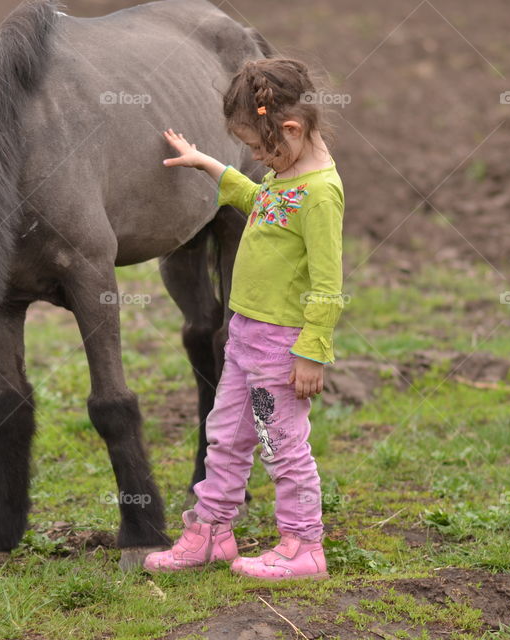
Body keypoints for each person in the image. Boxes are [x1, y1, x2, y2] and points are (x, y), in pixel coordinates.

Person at [144, 58, 344, 580]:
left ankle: (304, 547)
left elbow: (327, 284)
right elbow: (261, 203)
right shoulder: (285, 178)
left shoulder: (319, 194)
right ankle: (211, 531)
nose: (258, 157)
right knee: (225, 434)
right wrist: (209, 164)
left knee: (280, 444)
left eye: (260, 148)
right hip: (244, 337)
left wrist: (312, 350)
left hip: (282, 348)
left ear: (292, 130)